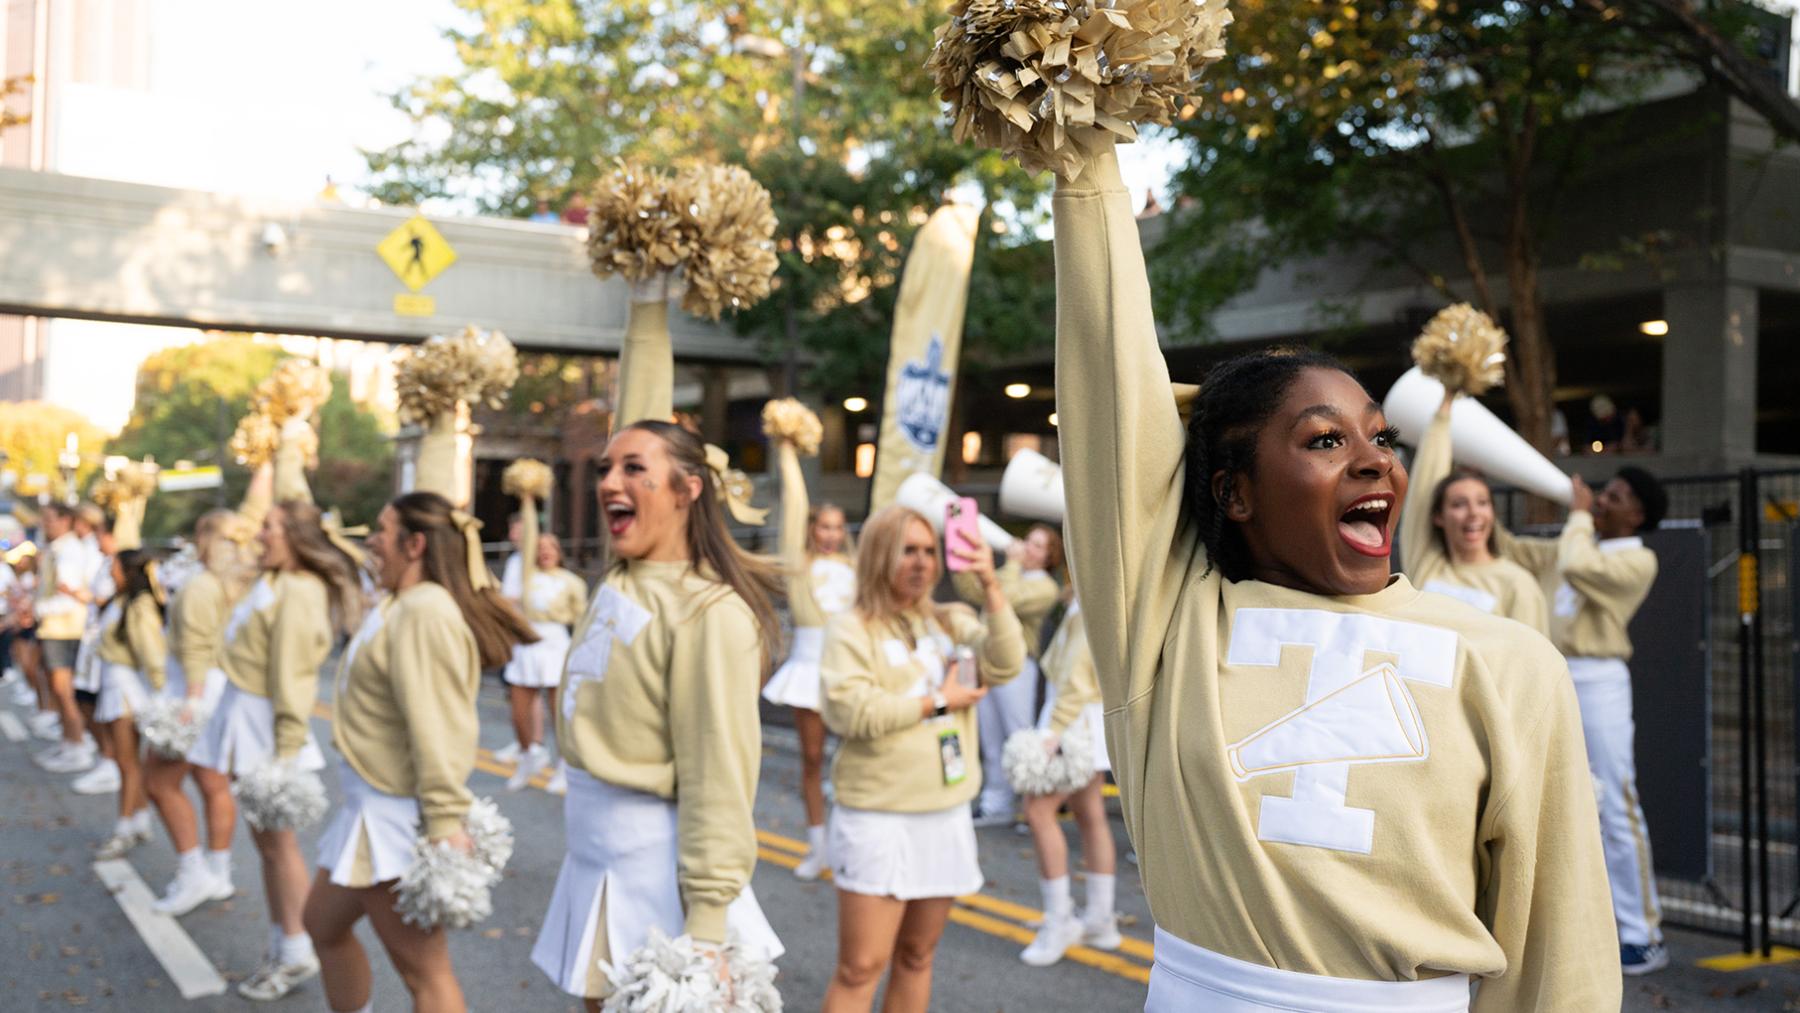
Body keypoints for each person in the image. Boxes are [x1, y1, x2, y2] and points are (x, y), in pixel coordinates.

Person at [1053, 140, 1619, 1010]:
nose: (1375, 464)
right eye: (1325, 440)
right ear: (1233, 491)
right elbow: (1112, 391)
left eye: (1381, 438)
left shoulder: (1512, 663)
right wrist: (1086, 156)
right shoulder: (1169, 626)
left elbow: (1560, 946)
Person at [532, 421, 784, 1008]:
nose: (609, 482)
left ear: (687, 490)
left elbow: (719, 774)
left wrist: (706, 930)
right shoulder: (623, 578)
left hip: (655, 874)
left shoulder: (710, 611)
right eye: (604, 469)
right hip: (594, 853)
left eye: (633, 469)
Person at [305, 492, 535, 1013]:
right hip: (368, 807)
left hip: (395, 817)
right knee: (320, 924)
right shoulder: (398, 603)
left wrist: (443, 822)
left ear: (415, 545)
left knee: (426, 975)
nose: (371, 541)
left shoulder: (426, 611)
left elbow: (438, 726)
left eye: (382, 532)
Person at [819, 504, 1024, 1013]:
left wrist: (990, 586)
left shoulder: (951, 621)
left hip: (944, 812)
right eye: (907, 550)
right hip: (877, 818)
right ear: (878, 555)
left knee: (917, 956)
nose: (921, 562)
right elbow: (850, 710)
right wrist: (937, 701)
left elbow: (1005, 662)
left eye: (929, 551)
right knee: (861, 967)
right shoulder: (851, 628)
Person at [1497, 467, 1670, 975]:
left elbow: (1575, 565)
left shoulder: (1638, 559)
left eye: (1615, 496)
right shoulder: (1577, 541)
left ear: (1637, 513)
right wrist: (1473, 492)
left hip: (1598, 681)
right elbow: (1513, 550)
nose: (1600, 500)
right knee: (1551, 798)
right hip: (1554, 670)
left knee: (1615, 799)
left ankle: (1644, 934)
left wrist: (1574, 513)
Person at [187, 500, 363, 1002]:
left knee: (278, 845)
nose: (258, 534)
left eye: (269, 527)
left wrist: (285, 754)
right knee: (267, 846)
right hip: (245, 716)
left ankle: (295, 949)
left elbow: (293, 678)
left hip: (265, 725)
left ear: (295, 535)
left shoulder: (301, 591)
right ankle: (285, 943)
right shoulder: (275, 580)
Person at [145, 509, 255, 915]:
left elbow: (194, 647)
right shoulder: (235, 584)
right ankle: (218, 869)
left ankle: (194, 872)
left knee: (157, 781)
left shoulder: (199, 586)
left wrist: (190, 702)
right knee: (213, 782)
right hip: (218, 687)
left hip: (195, 690)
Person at [761, 426, 856, 880]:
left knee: (851, 760)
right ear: (812, 529)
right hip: (809, 669)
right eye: (824, 526)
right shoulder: (800, 569)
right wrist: (786, 452)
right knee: (814, 760)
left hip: (851, 671)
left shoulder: (856, 571)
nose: (831, 535)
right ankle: (818, 844)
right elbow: (793, 508)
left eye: (838, 528)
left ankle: (846, 843)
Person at [1016, 597, 1119, 967]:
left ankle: (1060, 921)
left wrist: (1052, 731)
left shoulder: (1095, 592)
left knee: (1039, 811)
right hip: (1086, 717)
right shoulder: (1092, 589)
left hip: (1073, 720)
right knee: (1089, 811)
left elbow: (1077, 674)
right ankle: (1099, 919)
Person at [1397, 391, 1550, 634]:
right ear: (1438, 517)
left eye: (1482, 502)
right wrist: (1444, 408)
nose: (1473, 513)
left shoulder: (1518, 584)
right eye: (1458, 504)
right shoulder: (1427, 562)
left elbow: (1533, 666)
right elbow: (1424, 487)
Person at [956, 524, 1060, 827]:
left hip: (1017, 667)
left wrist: (1010, 564)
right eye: (1028, 540)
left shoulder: (1045, 587)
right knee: (990, 738)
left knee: (1018, 735)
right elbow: (976, 591)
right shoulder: (1009, 573)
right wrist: (966, 563)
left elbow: (1004, 597)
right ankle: (994, 804)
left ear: (1049, 557)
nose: (1028, 548)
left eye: (1038, 546)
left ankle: (1033, 804)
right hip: (985, 660)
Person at [90, 549, 163, 858]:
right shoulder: (122, 601)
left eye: (114, 569)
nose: (110, 574)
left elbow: (151, 653)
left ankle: (123, 829)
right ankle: (140, 820)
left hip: (126, 690)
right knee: (128, 761)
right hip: (114, 685)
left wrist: (162, 693)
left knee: (127, 763)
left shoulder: (139, 606)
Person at [502, 531, 586, 794]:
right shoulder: (524, 577)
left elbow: (580, 617)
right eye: (540, 547)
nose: (545, 551)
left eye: (551, 547)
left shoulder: (571, 582)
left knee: (558, 709)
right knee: (519, 710)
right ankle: (529, 756)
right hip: (527, 640)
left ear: (559, 551)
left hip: (555, 641)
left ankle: (564, 765)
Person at [33, 504, 96, 773]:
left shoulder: (67, 551)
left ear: (66, 520)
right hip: (57, 627)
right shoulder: (59, 549)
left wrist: (36, 610)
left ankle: (78, 745)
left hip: (64, 628)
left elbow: (67, 597)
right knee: (59, 690)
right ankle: (70, 742)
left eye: (50, 519)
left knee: (63, 690)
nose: (45, 524)